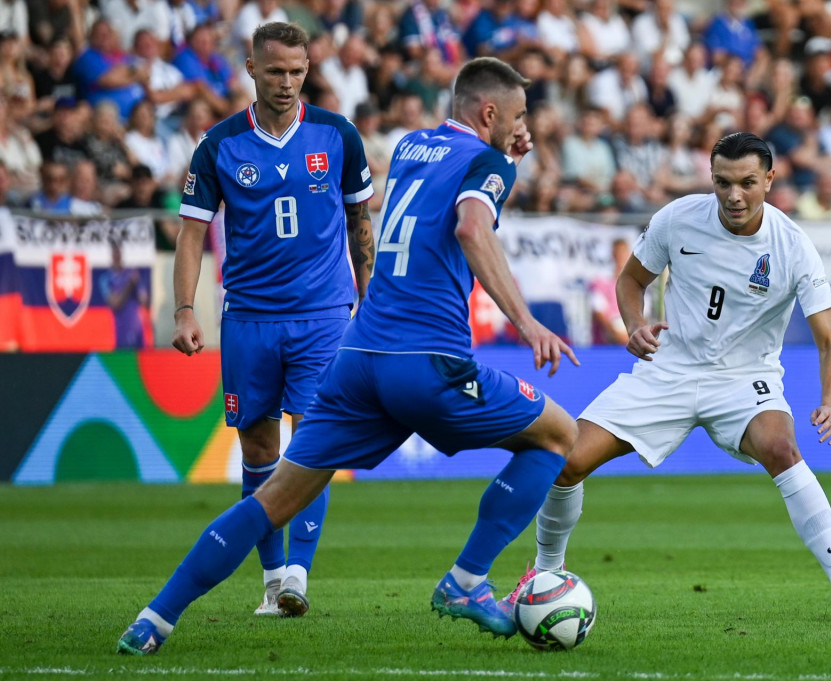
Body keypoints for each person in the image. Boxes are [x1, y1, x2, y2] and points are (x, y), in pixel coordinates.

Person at [117, 55, 580, 655]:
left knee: (271, 499)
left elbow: (454, 186)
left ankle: (155, 619)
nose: (523, 128)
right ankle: (466, 581)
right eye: (517, 117)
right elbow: (470, 226)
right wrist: (526, 321)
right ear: (490, 112)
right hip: (428, 360)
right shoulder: (489, 162)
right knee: (557, 435)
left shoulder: (415, 146)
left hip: (358, 355)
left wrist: (507, 158)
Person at [503, 132, 831, 624]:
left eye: (748, 183)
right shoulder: (678, 218)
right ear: (711, 178)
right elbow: (630, 282)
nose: (734, 195)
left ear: (770, 180)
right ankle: (544, 575)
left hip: (744, 378)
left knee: (781, 449)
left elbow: (830, 341)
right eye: (723, 183)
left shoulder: (793, 246)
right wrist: (635, 326)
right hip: (670, 370)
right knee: (567, 462)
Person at [166, 22, 375, 622]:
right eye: (276, 71)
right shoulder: (220, 144)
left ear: (309, 69)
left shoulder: (338, 135)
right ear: (252, 69)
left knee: (315, 440)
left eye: (298, 71)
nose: (287, 83)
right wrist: (186, 310)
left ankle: (299, 575)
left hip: (324, 315)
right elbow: (191, 234)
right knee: (258, 447)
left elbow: (362, 223)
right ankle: (272, 578)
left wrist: (371, 304)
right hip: (250, 317)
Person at [100, 241, 148, 349]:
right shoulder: (105, 279)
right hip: (119, 330)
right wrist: (129, 285)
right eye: (114, 253)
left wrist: (136, 284)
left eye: (119, 253)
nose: (117, 256)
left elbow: (143, 300)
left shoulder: (132, 274)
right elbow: (115, 304)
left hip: (137, 328)